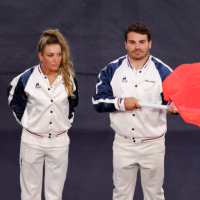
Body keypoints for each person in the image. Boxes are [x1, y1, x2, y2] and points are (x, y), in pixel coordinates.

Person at [92, 22, 178, 200]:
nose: (137, 47)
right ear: (125, 44)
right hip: (123, 145)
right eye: (132, 42)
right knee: (121, 195)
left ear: (149, 43)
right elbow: (98, 101)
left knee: (154, 195)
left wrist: (174, 107)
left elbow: (174, 100)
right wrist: (122, 102)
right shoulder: (111, 70)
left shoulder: (163, 71)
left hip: (152, 145)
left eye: (142, 42)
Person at [7, 29, 79, 200]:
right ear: (41, 56)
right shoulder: (27, 78)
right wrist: (27, 121)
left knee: (55, 194)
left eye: (59, 54)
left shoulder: (69, 78)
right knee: (30, 194)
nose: (56, 60)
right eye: (50, 55)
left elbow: (73, 104)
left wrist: (66, 121)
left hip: (59, 143)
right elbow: (13, 97)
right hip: (32, 142)